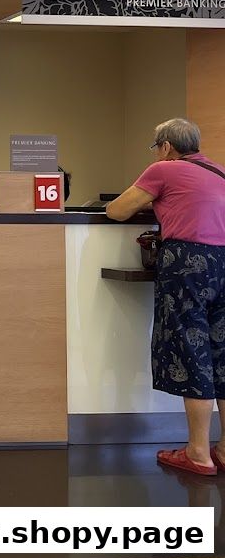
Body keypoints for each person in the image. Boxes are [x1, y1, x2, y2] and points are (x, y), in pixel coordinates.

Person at [107, 118, 225, 476]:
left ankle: (198, 452)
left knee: (192, 350)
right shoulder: (219, 172)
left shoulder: (164, 169)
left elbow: (118, 210)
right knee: (222, 353)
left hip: (188, 263)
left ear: (166, 146)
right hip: (224, 262)